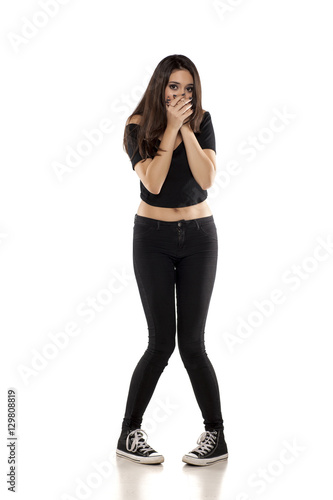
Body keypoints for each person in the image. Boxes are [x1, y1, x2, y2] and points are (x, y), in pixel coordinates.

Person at [116, 54, 228, 467]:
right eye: (174, 87)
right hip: (153, 239)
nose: (182, 94)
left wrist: (188, 130)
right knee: (161, 342)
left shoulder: (203, 121)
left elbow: (206, 178)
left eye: (189, 88)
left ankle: (215, 435)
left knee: (193, 345)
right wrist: (169, 131)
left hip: (200, 238)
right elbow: (155, 181)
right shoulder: (136, 126)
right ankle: (130, 432)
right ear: (160, 85)